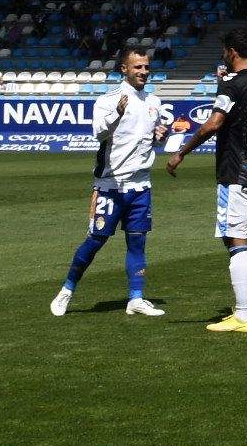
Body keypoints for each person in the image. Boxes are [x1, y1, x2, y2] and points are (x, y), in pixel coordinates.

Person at [164, 27, 247, 332]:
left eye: (225, 50)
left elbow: (213, 124)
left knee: (236, 237)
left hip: (235, 171)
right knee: (236, 235)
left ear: (233, 52)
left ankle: (242, 315)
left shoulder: (231, 85)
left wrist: (182, 152)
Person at [50, 44, 170, 319]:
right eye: (137, 67)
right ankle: (67, 289)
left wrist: (158, 136)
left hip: (141, 186)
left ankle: (136, 298)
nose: (143, 71)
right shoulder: (108, 100)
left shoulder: (154, 102)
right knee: (95, 240)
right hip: (110, 186)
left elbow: (146, 140)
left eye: (146, 67)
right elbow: (99, 134)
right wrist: (117, 112)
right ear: (123, 69)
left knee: (137, 242)